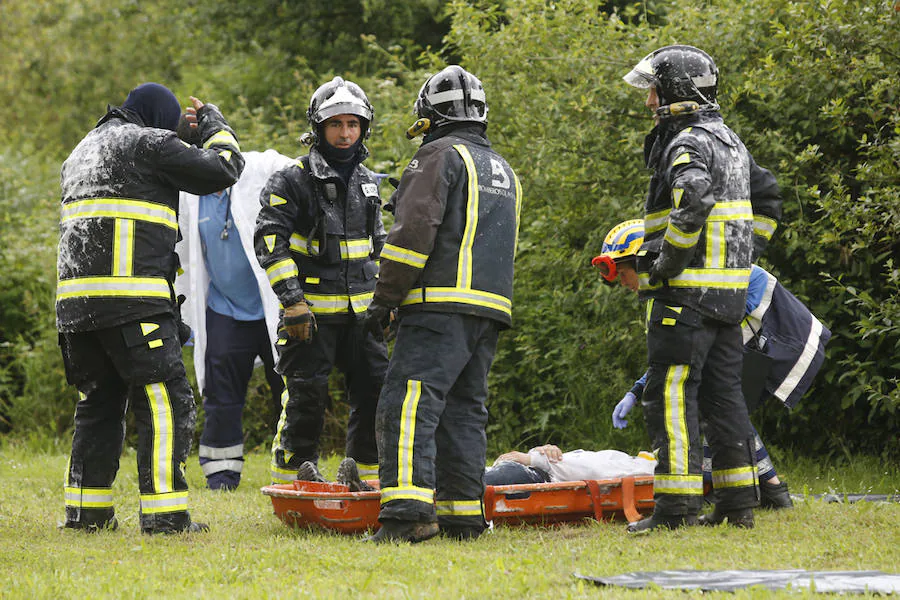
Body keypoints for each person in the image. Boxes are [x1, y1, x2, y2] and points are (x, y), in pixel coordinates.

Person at [56, 83, 244, 534]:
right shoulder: (148, 142)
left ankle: (87, 514)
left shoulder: (81, 151)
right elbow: (224, 169)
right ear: (159, 115)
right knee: (164, 402)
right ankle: (165, 517)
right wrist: (215, 127)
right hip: (132, 302)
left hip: (76, 310)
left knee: (98, 404)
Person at [619, 45, 783, 531]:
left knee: (670, 399)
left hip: (685, 297)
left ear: (674, 91)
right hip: (727, 299)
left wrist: (666, 263)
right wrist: (740, 258)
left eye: (653, 90)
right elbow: (769, 201)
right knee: (723, 399)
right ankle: (737, 506)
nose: (649, 101)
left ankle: (675, 510)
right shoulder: (730, 140)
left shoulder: (687, 142)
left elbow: (691, 199)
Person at [363, 65, 523, 543]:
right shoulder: (504, 170)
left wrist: (384, 299)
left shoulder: (436, 155)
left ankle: (408, 514)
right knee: (464, 410)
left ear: (430, 115)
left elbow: (411, 235)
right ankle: (463, 515)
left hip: (437, 307)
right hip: (489, 310)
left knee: (408, 402)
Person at [595, 220, 831, 509]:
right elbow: (674, 352)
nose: (622, 283)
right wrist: (636, 391)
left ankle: (748, 489)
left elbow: (687, 350)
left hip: (783, 334)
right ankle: (768, 490)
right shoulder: (673, 282)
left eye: (623, 273)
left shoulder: (688, 282)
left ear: (642, 262)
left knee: (713, 400)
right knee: (718, 403)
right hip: (767, 335)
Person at [254, 77, 388, 486]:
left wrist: (388, 301)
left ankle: (366, 484)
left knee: (374, 396)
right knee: (305, 401)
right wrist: (293, 302)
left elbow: (378, 246)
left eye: (353, 123)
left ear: (364, 128)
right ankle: (293, 485)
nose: (345, 133)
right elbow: (269, 243)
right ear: (318, 128)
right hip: (308, 317)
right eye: (336, 124)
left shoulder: (368, 180)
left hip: (363, 318)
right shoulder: (291, 180)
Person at [176, 146, 295, 491]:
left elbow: (301, 167)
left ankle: (298, 464)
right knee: (220, 393)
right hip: (224, 307)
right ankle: (221, 475)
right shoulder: (189, 194)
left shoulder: (258, 169)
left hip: (272, 305)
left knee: (290, 389)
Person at [485, 445, 657, 486]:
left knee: (466, 484)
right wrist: (544, 451)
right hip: (528, 472)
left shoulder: (643, 468)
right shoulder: (632, 460)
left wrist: (534, 459)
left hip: (531, 477)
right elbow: (579, 460)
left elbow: (592, 471)